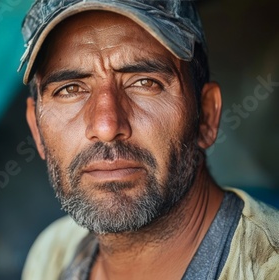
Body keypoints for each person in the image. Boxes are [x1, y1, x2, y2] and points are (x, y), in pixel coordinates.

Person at [17, 0, 279, 279]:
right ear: (37, 129)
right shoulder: (52, 255)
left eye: (145, 82)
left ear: (206, 115)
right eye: (70, 89)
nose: (106, 126)